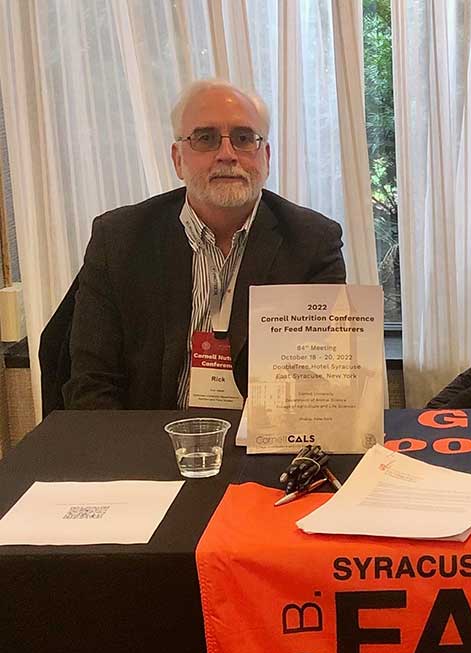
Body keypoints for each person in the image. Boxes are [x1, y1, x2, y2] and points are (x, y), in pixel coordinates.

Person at [62, 79, 346, 410]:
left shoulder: (313, 242)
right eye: (205, 138)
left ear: (265, 156)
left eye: (243, 138)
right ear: (178, 159)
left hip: (260, 446)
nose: (227, 155)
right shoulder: (119, 238)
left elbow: (320, 381)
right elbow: (91, 384)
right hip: (149, 442)